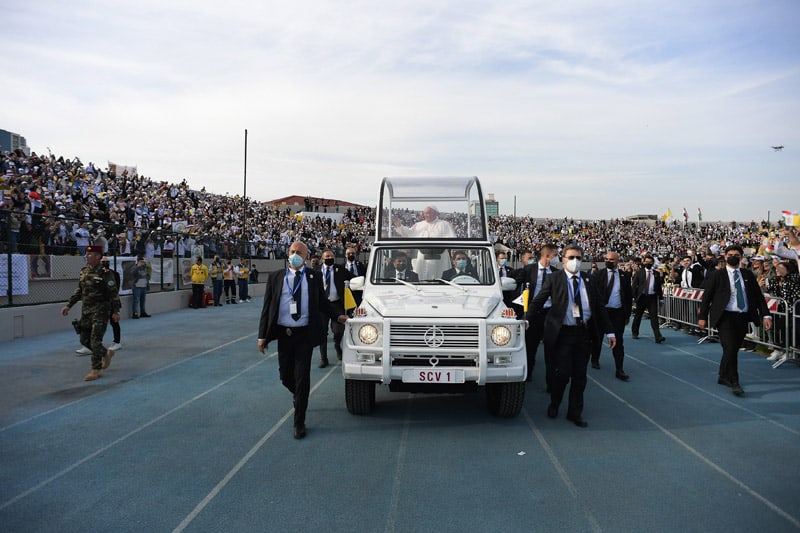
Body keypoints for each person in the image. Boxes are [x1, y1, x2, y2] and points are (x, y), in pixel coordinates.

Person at [257, 241, 348, 439]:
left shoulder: (313, 277)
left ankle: (299, 422)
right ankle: (298, 396)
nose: (295, 254)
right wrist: (262, 336)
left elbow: (323, 304)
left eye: (299, 252)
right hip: (284, 334)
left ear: (306, 257)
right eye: (292, 251)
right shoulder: (275, 277)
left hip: (304, 335)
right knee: (285, 377)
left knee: (302, 378)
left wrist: (339, 316)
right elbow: (267, 308)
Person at [527, 244, 616, 427]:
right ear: (563, 260)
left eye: (578, 258)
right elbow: (538, 301)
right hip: (562, 334)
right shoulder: (554, 279)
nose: (575, 261)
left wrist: (610, 331)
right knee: (563, 374)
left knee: (580, 376)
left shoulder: (588, 280)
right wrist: (526, 319)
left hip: (583, 334)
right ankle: (555, 403)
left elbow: (599, 307)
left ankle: (575, 412)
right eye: (571, 257)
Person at [698, 245, 772, 396]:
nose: (733, 257)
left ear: (741, 257)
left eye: (736, 255)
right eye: (730, 254)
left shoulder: (748, 274)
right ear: (725, 256)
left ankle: (722, 375)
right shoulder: (717, 275)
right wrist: (702, 317)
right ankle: (734, 381)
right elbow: (707, 297)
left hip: (742, 317)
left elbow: (758, 297)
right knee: (730, 348)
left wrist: (766, 315)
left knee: (732, 349)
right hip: (725, 317)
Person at [61, 245, 121, 381]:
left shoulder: (105, 273)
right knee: (84, 340)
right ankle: (106, 353)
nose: (87, 256)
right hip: (86, 311)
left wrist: (115, 311)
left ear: (98, 256)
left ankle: (96, 369)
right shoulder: (84, 272)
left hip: (101, 311)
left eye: (91, 254)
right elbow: (79, 291)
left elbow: (114, 293)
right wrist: (68, 305)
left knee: (95, 341)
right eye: (87, 254)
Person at [517, 244, 558, 383]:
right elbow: (515, 284)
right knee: (530, 346)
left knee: (551, 347)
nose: (557, 258)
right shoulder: (529, 270)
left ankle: (550, 380)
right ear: (547, 256)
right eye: (555, 255)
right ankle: (528, 373)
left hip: (549, 313)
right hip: (532, 313)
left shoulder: (556, 272)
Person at [590, 251, 632, 380]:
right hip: (601, 312)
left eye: (611, 260)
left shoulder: (625, 276)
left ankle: (619, 369)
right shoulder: (598, 274)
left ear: (617, 261)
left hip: (617, 313)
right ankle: (595, 358)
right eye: (606, 259)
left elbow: (628, 296)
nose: (608, 261)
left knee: (618, 341)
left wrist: (627, 315)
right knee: (597, 338)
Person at [317, 249, 354, 367]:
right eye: (327, 256)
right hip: (321, 305)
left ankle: (337, 346)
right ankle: (324, 358)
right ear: (322, 259)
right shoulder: (316, 271)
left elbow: (354, 277)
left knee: (338, 330)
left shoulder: (340, 269)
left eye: (331, 256)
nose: (329, 258)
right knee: (322, 332)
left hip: (336, 304)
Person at [631, 254, 666, 343]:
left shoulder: (656, 273)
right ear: (644, 262)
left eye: (650, 262)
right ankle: (635, 332)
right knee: (638, 316)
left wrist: (661, 298)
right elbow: (634, 286)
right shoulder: (639, 273)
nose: (648, 264)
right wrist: (633, 297)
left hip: (652, 298)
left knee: (654, 317)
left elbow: (658, 287)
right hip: (641, 297)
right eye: (646, 262)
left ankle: (658, 336)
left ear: (653, 263)